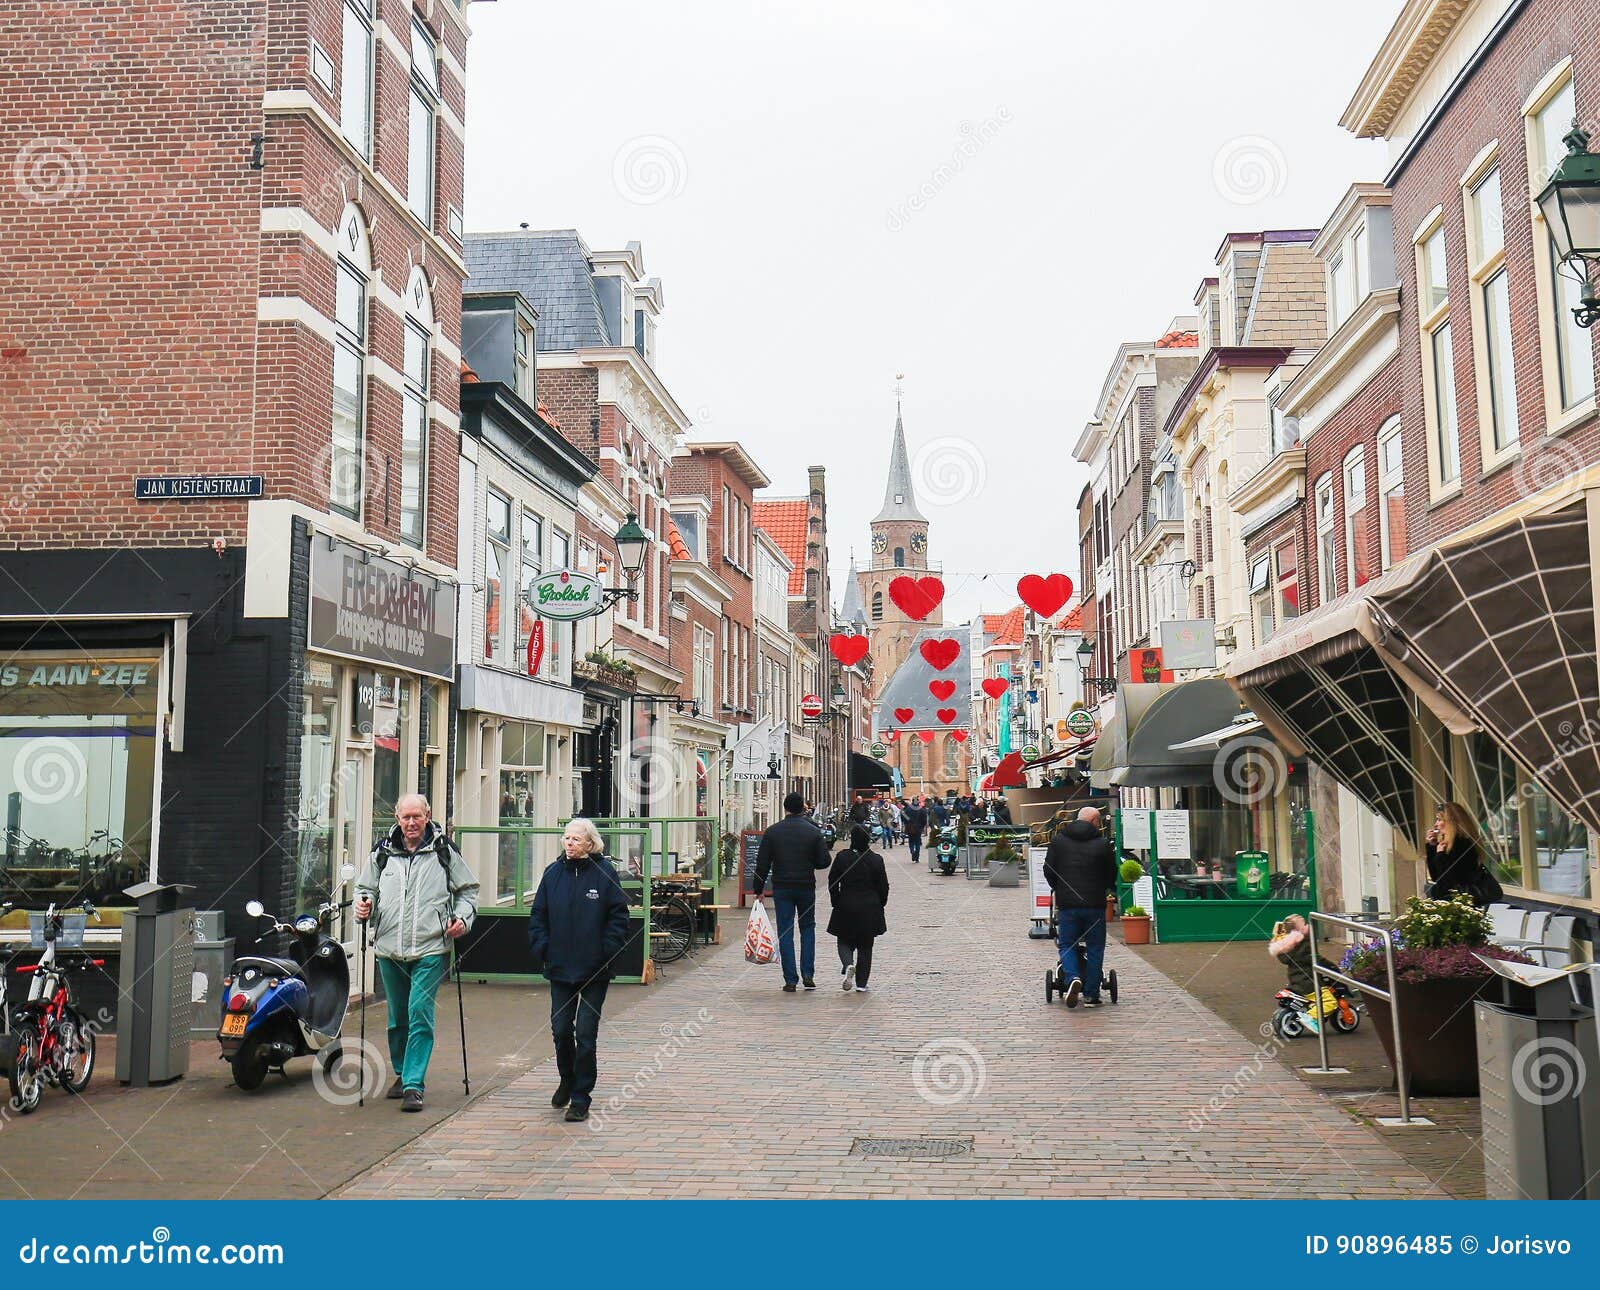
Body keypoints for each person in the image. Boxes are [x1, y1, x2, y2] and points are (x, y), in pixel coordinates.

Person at [355, 794, 479, 1112]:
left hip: (431, 947)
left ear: (428, 816)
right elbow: (364, 888)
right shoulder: (382, 852)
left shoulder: (443, 850)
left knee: (420, 1012)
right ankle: (402, 1071)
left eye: (417, 817)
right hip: (389, 948)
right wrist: (363, 905)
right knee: (398, 1018)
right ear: (397, 818)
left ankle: (413, 1084)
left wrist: (462, 920)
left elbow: (468, 890)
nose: (411, 823)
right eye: (405, 817)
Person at [527, 818, 631, 1122]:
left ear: (590, 843)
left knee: (586, 1034)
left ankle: (581, 1097)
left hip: (594, 969)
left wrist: (606, 951)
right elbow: (538, 915)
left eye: (575, 839)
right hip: (559, 967)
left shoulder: (604, 874)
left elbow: (618, 917)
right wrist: (542, 948)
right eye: (566, 838)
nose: (569, 843)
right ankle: (567, 1078)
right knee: (561, 1031)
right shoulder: (552, 873)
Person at [753, 791, 834, 991]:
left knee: (785, 931)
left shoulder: (773, 832)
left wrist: (758, 889)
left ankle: (790, 979)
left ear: (785, 808)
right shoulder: (813, 831)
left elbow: (762, 863)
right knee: (807, 928)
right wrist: (810, 861)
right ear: (803, 809)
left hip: (782, 887)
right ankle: (808, 973)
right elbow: (824, 861)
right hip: (805, 886)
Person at [1042, 806, 1118, 1008]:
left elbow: (1048, 869)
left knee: (1067, 944)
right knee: (1095, 946)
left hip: (1068, 905)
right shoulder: (1102, 844)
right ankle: (1092, 994)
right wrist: (1104, 887)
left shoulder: (1059, 841)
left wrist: (1058, 888)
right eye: (1099, 822)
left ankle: (1073, 977)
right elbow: (1111, 874)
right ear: (1093, 821)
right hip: (1094, 905)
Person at [828, 825, 889, 993]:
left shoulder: (842, 857)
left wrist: (836, 900)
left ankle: (848, 964)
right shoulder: (876, 859)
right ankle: (861, 984)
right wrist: (880, 903)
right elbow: (883, 886)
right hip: (870, 905)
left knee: (843, 940)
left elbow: (832, 881)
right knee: (866, 945)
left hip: (846, 903)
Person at [1267, 914, 1338, 1034]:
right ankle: (1311, 1017)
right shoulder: (1302, 944)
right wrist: (1332, 967)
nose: (1306, 926)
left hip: (1296, 981)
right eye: (1303, 924)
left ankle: (1308, 1011)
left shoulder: (1288, 946)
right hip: (1308, 982)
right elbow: (1315, 959)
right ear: (1298, 930)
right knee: (1329, 1001)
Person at [1424, 802, 1503, 906]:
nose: (1436, 824)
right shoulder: (1447, 845)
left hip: (1462, 904)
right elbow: (1436, 876)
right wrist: (1432, 847)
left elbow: (1448, 880)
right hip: (1453, 903)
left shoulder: (1462, 843)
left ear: (1451, 821)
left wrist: (1440, 855)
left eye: (1439, 820)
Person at [902, 797, 928, 864]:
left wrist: (907, 823)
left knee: (911, 841)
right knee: (917, 842)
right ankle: (917, 857)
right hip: (918, 828)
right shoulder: (921, 809)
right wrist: (922, 826)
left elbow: (903, 817)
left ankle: (912, 852)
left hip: (910, 827)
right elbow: (924, 819)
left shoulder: (908, 809)